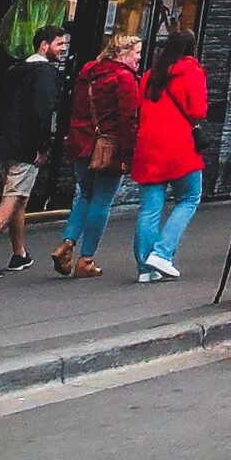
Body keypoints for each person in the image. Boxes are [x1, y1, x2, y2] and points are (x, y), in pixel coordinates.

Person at [0, 25, 68, 277]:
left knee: (19, 198)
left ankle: (20, 254)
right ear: (44, 45)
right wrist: (43, 146)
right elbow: (42, 112)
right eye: (59, 44)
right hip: (26, 145)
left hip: (5, 144)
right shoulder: (46, 74)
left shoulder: (15, 70)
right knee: (13, 197)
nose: (63, 49)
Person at [54, 32, 142, 279]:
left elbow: (74, 106)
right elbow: (129, 120)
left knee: (85, 195)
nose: (138, 59)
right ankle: (86, 259)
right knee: (102, 200)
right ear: (123, 54)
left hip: (80, 141)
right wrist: (128, 154)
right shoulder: (124, 79)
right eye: (136, 54)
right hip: (107, 146)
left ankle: (67, 243)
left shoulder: (89, 70)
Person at [132, 29, 208, 284]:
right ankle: (162, 253)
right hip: (180, 146)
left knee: (150, 208)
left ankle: (145, 267)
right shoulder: (192, 72)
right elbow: (198, 110)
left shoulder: (149, 77)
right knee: (189, 197)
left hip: (149, 145)